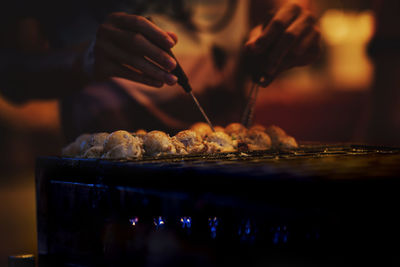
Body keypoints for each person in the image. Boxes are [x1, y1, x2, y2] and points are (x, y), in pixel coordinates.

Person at [0, 0, 320, 142]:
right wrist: (84, 59)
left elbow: (286, 13)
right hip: (105, 194)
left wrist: (287, 35)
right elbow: (11, 71)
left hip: (229, 183)